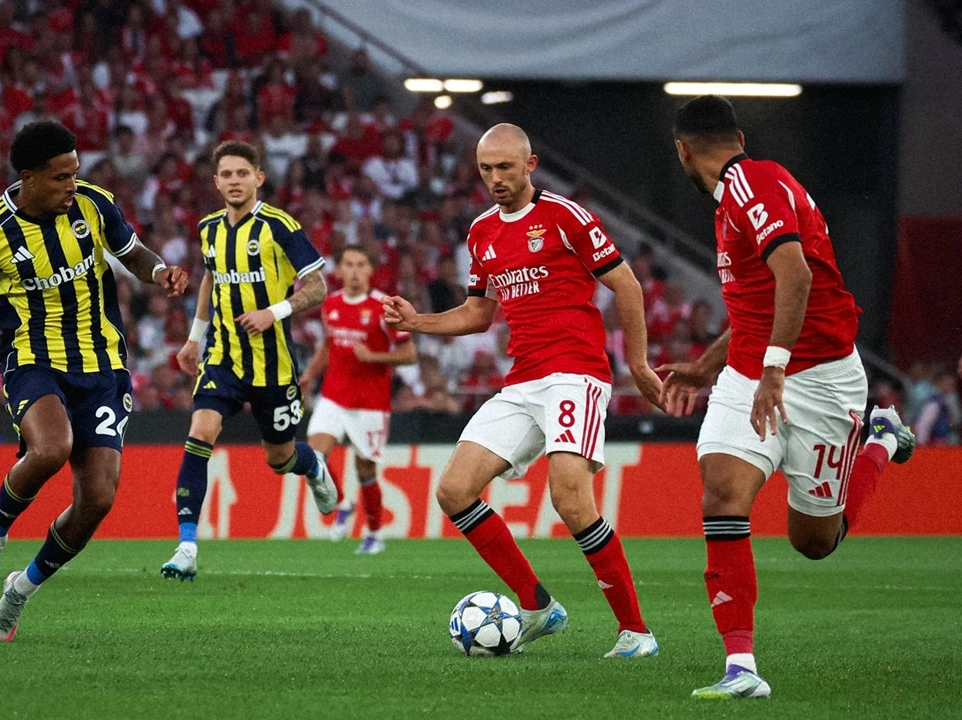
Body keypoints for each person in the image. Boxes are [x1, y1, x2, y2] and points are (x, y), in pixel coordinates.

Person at [663, 96, 916, 699]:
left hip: (822, 379)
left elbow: (796, 276)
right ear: (739, 136)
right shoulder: (742, 196)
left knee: (814, 543)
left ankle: (880, 439)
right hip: (749, 374)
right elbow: (759, 305)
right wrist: (705, 368)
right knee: (722, 494)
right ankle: (741, 667)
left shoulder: (748, 183)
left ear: (683, 151)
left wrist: (775, 369)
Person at [383, 124, 664, 658]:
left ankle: (635, 632)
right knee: (454, 490)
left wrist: (638, 363)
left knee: (570, 497)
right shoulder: (481, 232)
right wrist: (418, 321)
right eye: (486, 169)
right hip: (523, 379)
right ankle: (537, 606)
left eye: (505, 167)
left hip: (575, 372)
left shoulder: (566, 217)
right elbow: (477, 313)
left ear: (530, 165)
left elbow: (625, 283)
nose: (495, 178)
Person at [0, 121, 187, 641]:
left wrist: (158, 272)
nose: (72, 185)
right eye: (61, 178)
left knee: (98, 499)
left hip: (103, 367)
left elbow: (132, 252)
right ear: (29, 178)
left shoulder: (94, 205)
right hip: (33, 360)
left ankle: (19, 591)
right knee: (52, 448)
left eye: (75, 173)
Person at [162, 141, 335, 581]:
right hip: (222, 357)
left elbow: (317, 287)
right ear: (216, 182)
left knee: (279, 459)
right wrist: (194, 339)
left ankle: (313, 464)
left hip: (273, 364)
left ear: (259, 178)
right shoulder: (209, 229)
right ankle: (186, 546)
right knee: (200, 432)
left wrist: (273, 312)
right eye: (227, 174)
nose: (234, 181)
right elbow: (211, 278)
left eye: (243, 173)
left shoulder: (280, 226)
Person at [299, 245, 416, 554]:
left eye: (360, 264)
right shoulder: (331, 303)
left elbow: (409, 354)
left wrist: (374, 356)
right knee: (314, 455)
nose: (353, 271)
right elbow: (328, 345)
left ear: (370, 270)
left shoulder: (383, 307)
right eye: (348, 264)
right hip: (334, 395)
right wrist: (309, 374)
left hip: (370, 402)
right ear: (339, 270)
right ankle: (342, 503)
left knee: (365, 471)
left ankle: (375, 534)